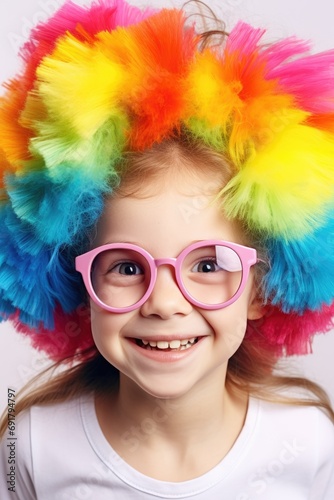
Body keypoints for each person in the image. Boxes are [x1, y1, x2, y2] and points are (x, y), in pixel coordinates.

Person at [0, 0, 333, 497]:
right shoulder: (28, 447)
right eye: (126, 268)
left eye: (207, 264)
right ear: (83, 284)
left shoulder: (310, 445)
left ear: (260, 288)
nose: (163, 303)